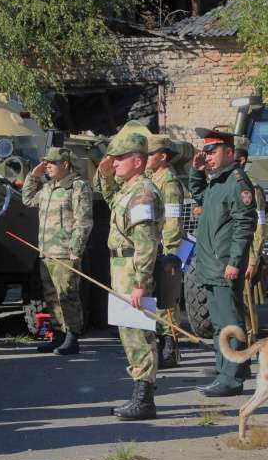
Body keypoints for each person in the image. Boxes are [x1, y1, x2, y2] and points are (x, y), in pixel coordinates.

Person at [93, 134, 163, 420]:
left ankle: (144, 399)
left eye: (120, 158)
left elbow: (146, 243)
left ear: (138, 160)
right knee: (128, 332)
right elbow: (110, 199)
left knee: (139, 335)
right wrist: (105, 174)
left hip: (133, 269)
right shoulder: (128, 190)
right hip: (121, 266)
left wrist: (140, 284)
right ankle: (140, 394)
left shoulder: (143, 193)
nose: (115, 162)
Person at [189, 127, 257, 397]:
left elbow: (244, 225)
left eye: (212, 151)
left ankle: (233, 377)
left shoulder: (237, 182)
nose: (207, 157)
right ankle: (226, 371)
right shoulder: (217, 181)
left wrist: (235, 261)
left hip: (224, 265)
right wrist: (195, 171)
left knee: (230, 322)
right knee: (219, 324)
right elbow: (199, 196)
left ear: (229, 152)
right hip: (210, 265)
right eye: (205, 152)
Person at [22, 147, 93, 355]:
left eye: (52, 163)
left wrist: (76, 249)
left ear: (65, 164)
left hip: (65, 251)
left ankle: (72, 336)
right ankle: (58, 334)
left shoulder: (77, 187)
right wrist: (33, 177)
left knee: (68, 295)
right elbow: (27, 199)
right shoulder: (47, 188)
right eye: (46, 162)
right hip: (47, 251)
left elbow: (84, 221)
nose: (48, 166)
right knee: (52, 297)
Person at [146, 134, 185, 368]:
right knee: (157, 298)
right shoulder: (153, 178)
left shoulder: (168, 182)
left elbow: (173, 220)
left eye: (149, 154)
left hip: (164, 248)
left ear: (161, 157)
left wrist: (169, 252)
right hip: (152, 246)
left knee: (167, 300)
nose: (145, 158)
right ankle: (160, 343)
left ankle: (170, 347)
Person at [235, 137, 267, 344]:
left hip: (247, 256)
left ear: (242, 161)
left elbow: (260, 228)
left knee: (247, 303)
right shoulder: (226, 187)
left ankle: (250, 341)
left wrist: (253, 261)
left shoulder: (253, 190)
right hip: (229, 254)